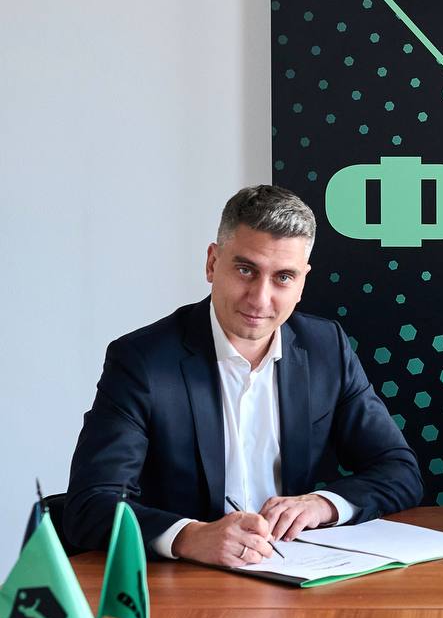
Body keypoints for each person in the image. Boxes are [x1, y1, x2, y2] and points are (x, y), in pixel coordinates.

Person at [65, 185, 422, 567]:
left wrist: (322, 505)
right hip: (183, 579)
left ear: (302, 282)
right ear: (212, 263)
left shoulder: (326, 348)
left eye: (283, 277)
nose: (259, 298)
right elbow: (91, 504)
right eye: (245, 270)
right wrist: (189, 536)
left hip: (292, 570)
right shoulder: (141, 361)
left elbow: (399, 471)